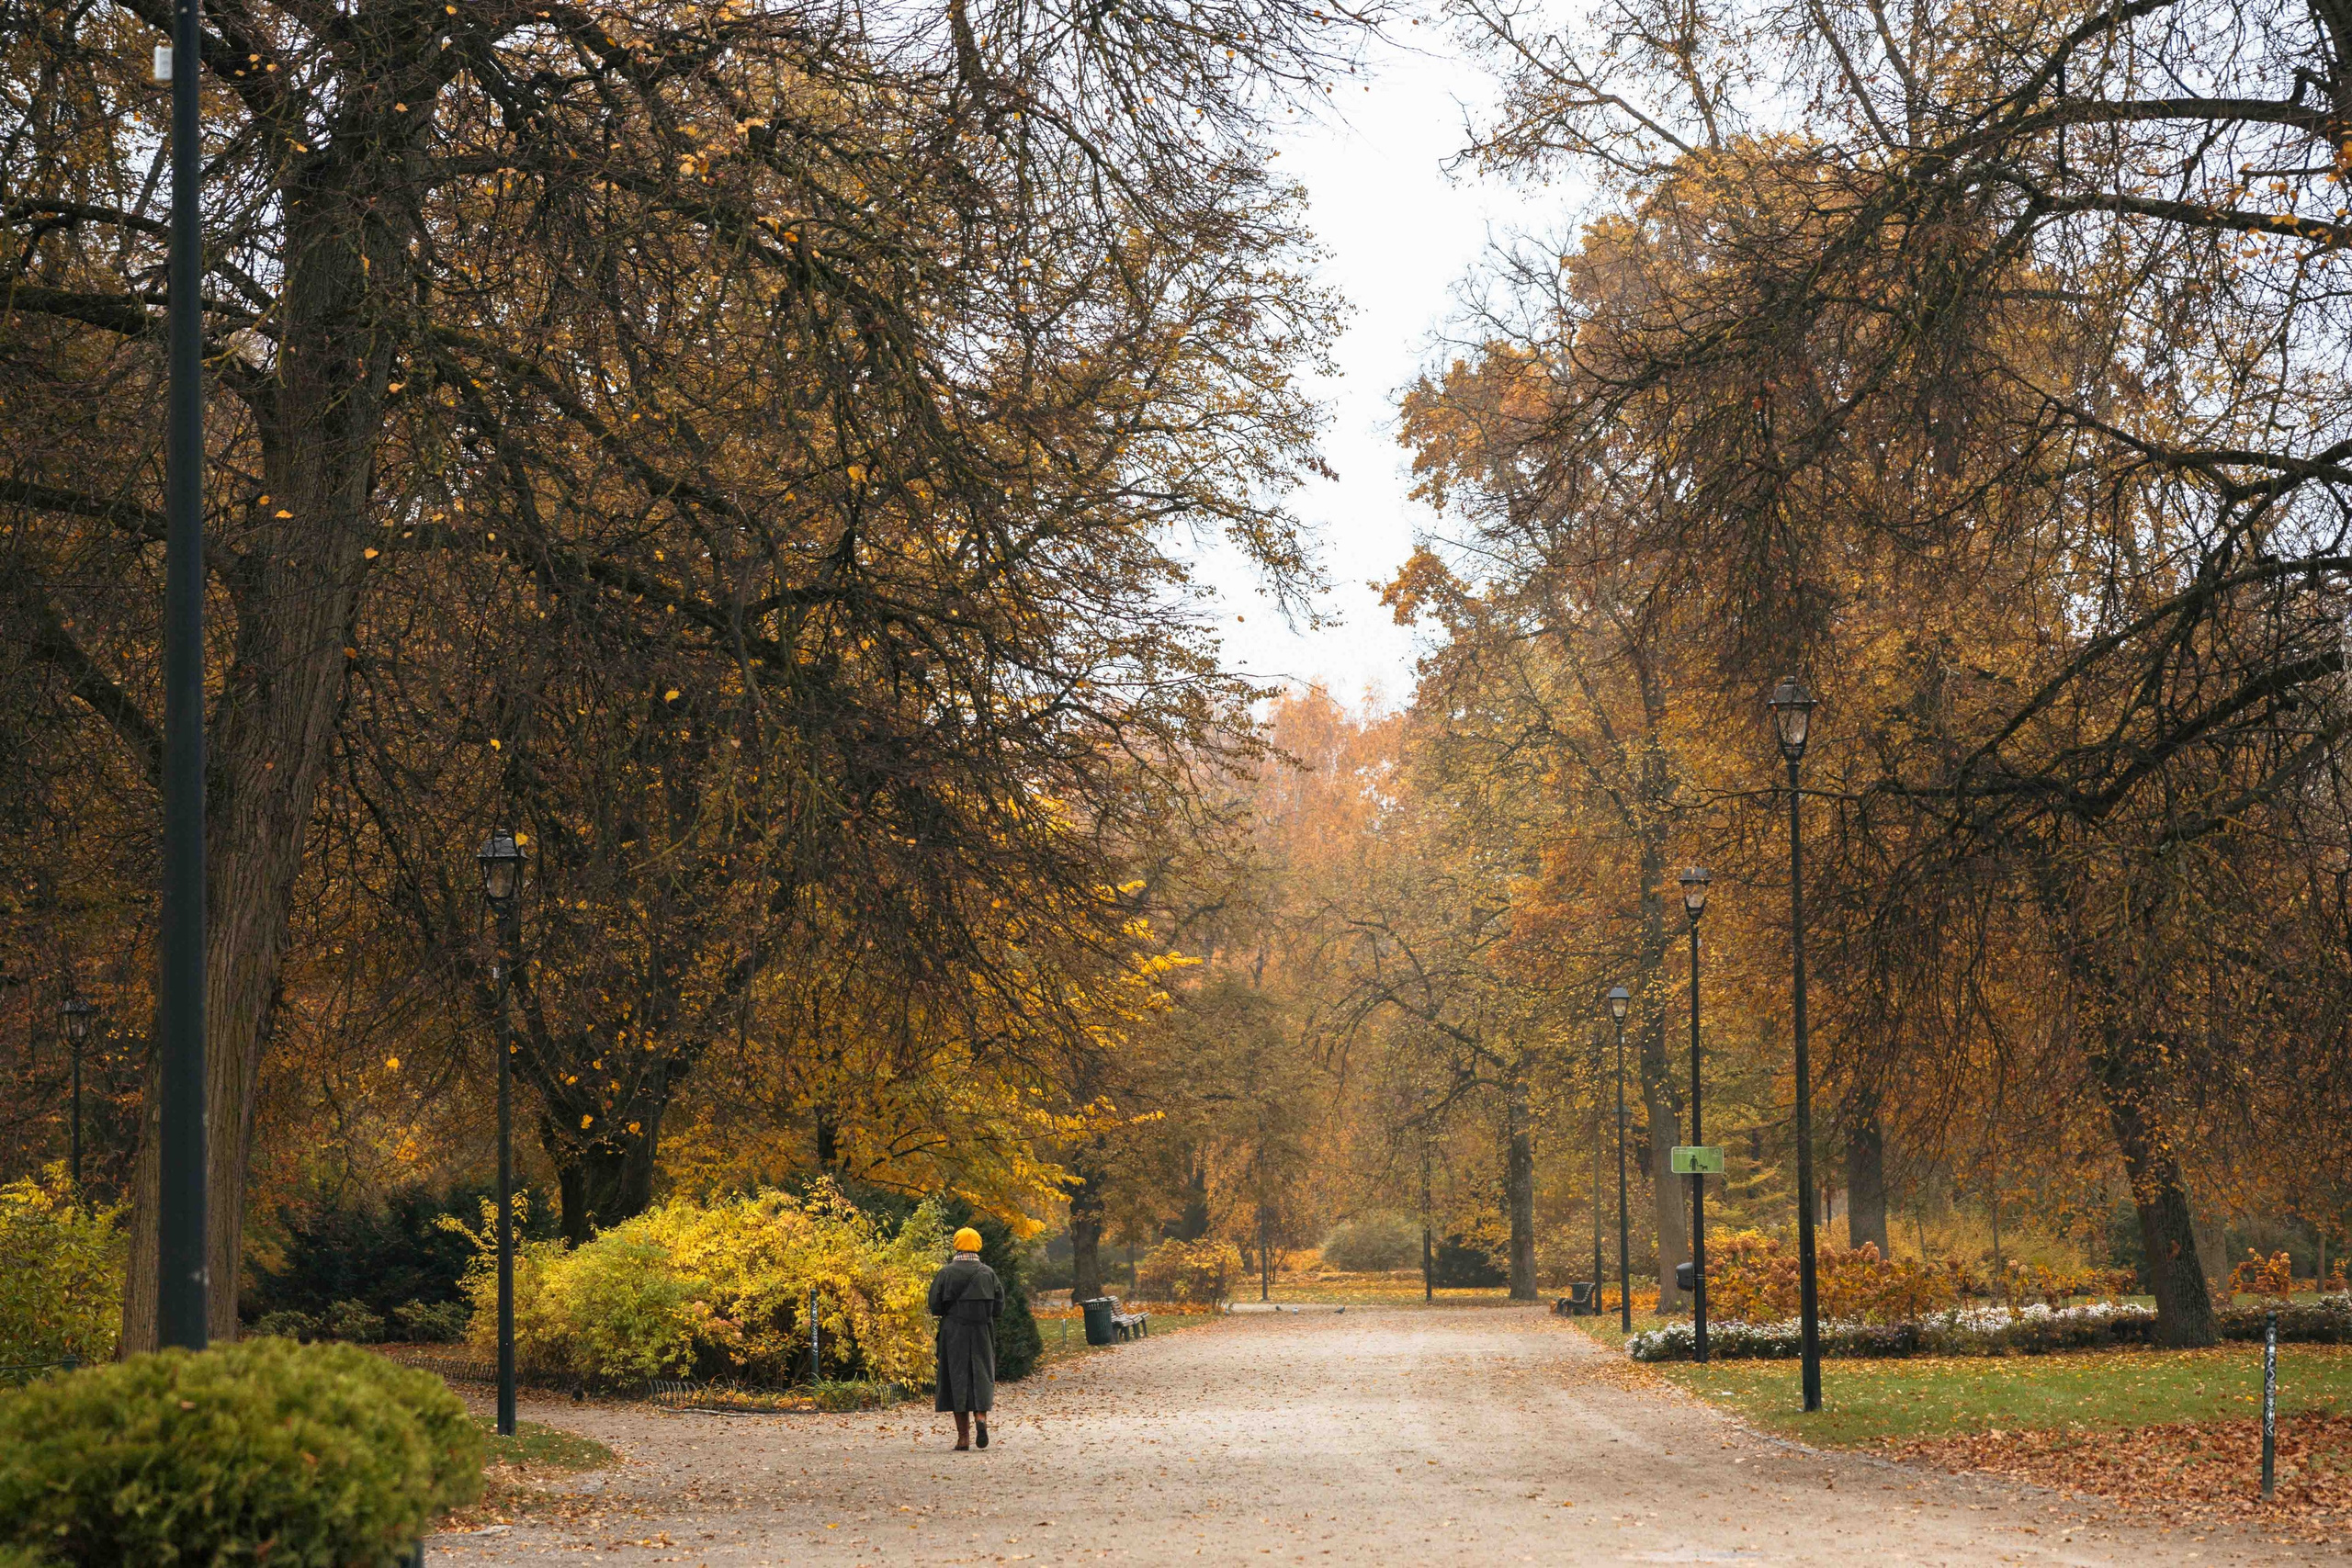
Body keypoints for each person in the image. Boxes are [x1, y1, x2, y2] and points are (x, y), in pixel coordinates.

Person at [929, 1225, 1004, 1450]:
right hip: (982, 1331)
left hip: (954, 1332)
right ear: (978, 1245)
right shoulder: (988, 1273)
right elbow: (999, 1307)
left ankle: (963, 1438)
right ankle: (980, 1417)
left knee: (956, 1378)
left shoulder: (946, 1273)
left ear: (956, 1245)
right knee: (982, 1375)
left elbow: (935, 1306)